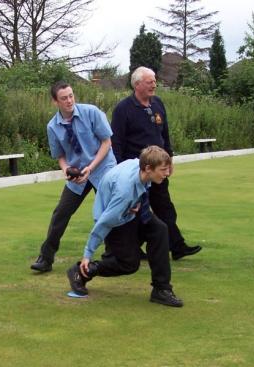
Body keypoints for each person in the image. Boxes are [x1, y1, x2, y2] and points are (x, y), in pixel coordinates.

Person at [67, 146, 183, 307]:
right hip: (117, 218)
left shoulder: (140, 165)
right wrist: (87, 253)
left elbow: (142, 184)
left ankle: (161, 290)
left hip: (130, 209)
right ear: (148, 168)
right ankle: (83, 271)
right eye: (163, 170)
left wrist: (139, 202)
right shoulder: (125, 192)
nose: (167, 173)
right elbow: (104, 223)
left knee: (159, 230)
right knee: (128, 263)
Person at [111, 66, 202, 261]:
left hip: (158, 169)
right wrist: (120, 171)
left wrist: (169, 160)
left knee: (165, 207)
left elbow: (164, 135)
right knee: (135, 212)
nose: (154, 84)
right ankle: (128, 249)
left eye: (154, 81)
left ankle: (177, 246)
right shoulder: (123, 109)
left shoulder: (158, 104)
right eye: (149, 81)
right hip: (136, 171)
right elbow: (116, 142)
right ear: (137, 85)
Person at [30, 81, 117, 272]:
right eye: (64, 98)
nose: (69, 101)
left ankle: (116, 254)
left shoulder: (91, 112)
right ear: (55, 102)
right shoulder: (52, 126)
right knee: (60, 213)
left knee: (111, 210)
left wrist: (91, 168)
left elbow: (106, 142)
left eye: (71, 96)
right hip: (77, 175)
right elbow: (60, 155)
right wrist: (66, 170)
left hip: (102, 168)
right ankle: (46, 259)